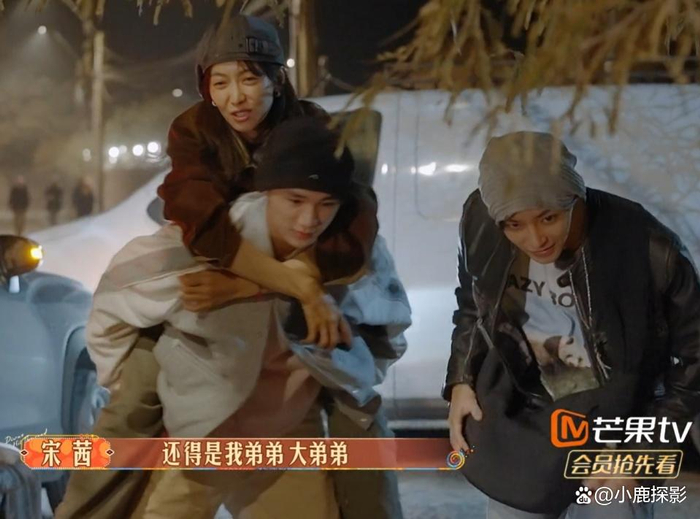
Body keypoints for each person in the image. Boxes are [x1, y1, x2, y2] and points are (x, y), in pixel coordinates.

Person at [82, 117, 408, 519]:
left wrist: (346, 369)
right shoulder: (209, 243)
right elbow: (114, 299)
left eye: (326, 204)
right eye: (295, 200)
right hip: (200, 428)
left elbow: (392, 328)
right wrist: (128, 385)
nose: (309, 219)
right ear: (266, 191)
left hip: (287, 432)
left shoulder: (353, 254)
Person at [444, 131, 700, 519]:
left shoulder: (646, 246)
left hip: (616, 427)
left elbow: (694, 359)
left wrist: (641, 455)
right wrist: (462, 380)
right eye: (514, 225)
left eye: (548, 217)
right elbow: (472, 301)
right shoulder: (480, 220)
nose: (535, 239)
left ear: (573, 196)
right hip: (525, 418)